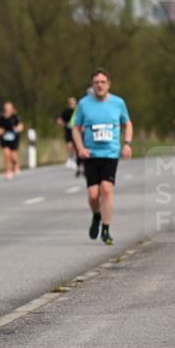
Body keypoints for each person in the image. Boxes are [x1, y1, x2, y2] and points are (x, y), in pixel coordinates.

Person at [72, 67, 133, 246]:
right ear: (92, 85)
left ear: (109, 84)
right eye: (96, 82)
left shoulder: (118, 103)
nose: (99, 85)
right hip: (90, 154)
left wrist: (127, 144)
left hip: (110, 153)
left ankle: (105, 229)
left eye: (102, 82)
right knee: (93, 195)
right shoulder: (84, 104)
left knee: (106, 189)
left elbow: (127, 123)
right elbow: (75, 128)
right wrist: (80, 147)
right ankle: (97, 216)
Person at [0, 102, 23, 180]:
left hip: (14, 138)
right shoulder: (1, 118)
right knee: (6, 155)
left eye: (9, 108)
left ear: (12, 109)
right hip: (4, 138)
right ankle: (8, 171)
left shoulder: (15, 117)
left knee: (13, 156)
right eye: (6, 108)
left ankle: (16, 164)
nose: (7, 110)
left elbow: (20, 126)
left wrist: (18, 129)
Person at [58, 96, 82, 177]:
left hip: (77, 132)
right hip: (68, 132)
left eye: (73, 102)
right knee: (69, 145)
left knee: (76, 147)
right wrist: (64, 124)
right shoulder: (66, 111)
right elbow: (60, 120)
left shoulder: (78, 111)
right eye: (70, 103)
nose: (71, 104)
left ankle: (75, 160)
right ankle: (70, 158)